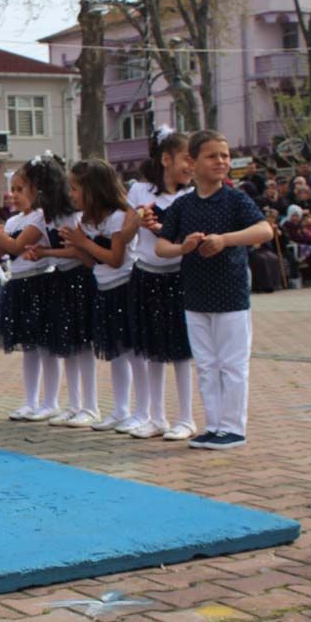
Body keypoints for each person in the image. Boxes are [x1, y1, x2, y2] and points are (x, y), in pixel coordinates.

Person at [156, 130, 273, 450]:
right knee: (206, 364)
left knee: (232, 364)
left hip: (231, 294)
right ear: (193, 162)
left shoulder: (234, 198)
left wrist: (224, 240)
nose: (221, 161)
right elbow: (162, 247)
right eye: (212, 156)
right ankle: (214, 424)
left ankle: (234, 427)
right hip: (195, 294)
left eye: (224, 155)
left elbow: (263, 229)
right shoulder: (183, 205)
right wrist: (184, 247)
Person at [60, 159, 145, 434]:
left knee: (133, 353)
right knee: (116, 353)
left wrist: (83, 243)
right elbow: (91, 261)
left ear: (94, 189)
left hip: (125, 288)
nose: (72, 195)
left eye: (75, 189)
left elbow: (116, 258)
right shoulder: (88, 221)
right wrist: (76, 245)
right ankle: (120, 409)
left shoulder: (119, 217)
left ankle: (143, 411)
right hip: (104, 288)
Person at [122, 128, 197, 440]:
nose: (191, 166)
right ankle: (156, 416)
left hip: (179, 276)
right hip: (146, 275)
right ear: (166, 159)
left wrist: (163, 228)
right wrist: (139, 222)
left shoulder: (190, 196)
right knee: (150, 348)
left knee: (180, 350)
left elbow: (189, 237)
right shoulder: (140, 191)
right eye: (186, 158)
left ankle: (187, 417)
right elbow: (124, 235)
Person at [0, 158, 60, 422]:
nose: (14, 194)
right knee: (29, 347)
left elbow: (16, 246)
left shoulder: (41, 217)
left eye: (20, 189)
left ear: (38, 190)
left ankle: (50, 401)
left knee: (46, 347)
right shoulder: (13, 220)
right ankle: (31, 400)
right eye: (13, 189)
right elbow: (1, 250)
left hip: (40, 283)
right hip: (20, 283)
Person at [16, 163, 97, 430]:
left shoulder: (72, 216)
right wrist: (39, 251)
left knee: (83, 346)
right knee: (68, 347)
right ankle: (73, 405)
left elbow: (78, 252)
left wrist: (45, 253)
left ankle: (90, 405)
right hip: (63, 279)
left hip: (81, 279)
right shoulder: (49, 216)